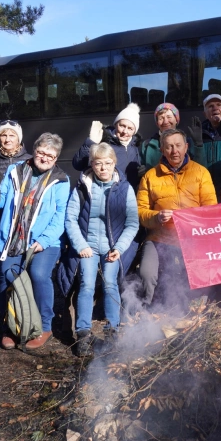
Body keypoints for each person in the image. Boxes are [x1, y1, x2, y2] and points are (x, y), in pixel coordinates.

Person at [0, 132, 70, 350]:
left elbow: (61, 216)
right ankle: (10, 328)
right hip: (13, 238)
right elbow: (1, 201)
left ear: (56, 158)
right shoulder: (16, 171)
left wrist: (44, 240)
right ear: (34, 151)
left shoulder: (61, 180)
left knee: (39, 274)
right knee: (7, 278)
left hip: (46, 241)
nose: (44, 158)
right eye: (41, 152)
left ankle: (44, 326)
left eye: (50, 156)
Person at [64, 143, 139, 355]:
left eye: (107, 163)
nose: (103, 168)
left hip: (111, 248)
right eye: (98, 164)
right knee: (86, 284)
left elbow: (132, 223)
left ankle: (113, 330)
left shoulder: (124, 189)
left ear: (114, 164)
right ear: (92, 165)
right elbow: (70, 219)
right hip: (87, 247)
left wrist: (120, 248)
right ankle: (83, 334)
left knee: (110, 285)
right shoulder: (82, 186)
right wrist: (80, 245)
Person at [137, 128, 217, 306]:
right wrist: (156, 217)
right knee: (146, 273)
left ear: (186, 147)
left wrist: (191, 220)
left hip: (193, 237)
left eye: (178, 145)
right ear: (162, 150)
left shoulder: (201, 172)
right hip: (160, 237)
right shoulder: (151, 176)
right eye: (169, 147)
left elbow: (210, 209)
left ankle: (192, 311)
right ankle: (146, 312)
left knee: (196, 275)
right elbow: (141, 212)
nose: (175, 151)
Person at [73, 103, 142, 190]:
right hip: (105, 193)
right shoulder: (102, 141)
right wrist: (90, 143)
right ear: (116, 124)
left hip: (128, 194)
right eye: (122, 126)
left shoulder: (135, 146)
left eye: (130, 128)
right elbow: (78, 164)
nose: (125, 131)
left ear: (134, 131)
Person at [0, 120, 32, 233]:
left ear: (19, 138)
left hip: (23, 216)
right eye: (3, 135)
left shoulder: (29, 160)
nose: (7, 139)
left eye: (12, 135)